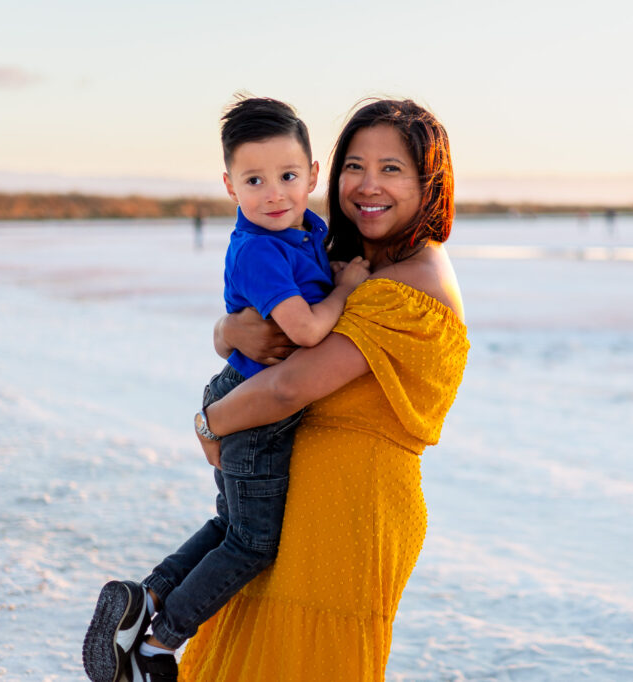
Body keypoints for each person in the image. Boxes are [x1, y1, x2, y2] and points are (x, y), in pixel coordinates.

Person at [175, 98, 468, 681]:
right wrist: (226, 329)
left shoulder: (411, 281)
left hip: (355, 511)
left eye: (392, 169)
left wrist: (211, 421)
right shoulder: (348, 262)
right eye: (354, 165)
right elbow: (264, 331)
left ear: (427, 182)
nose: (367, 184)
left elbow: (290, 385)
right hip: (292, 502)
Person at [82, 97, 371, 682]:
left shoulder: (305, 229)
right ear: (229, 186)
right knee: (253, 544)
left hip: (247, 390)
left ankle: (145, 599)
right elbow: (308, 330)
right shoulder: (261, 250)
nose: (275, 194)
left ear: (314, 175)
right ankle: (159, 645)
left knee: (228, 523)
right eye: (255, 180)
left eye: (289, 177)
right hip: (256, 406)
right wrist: (348, 290)